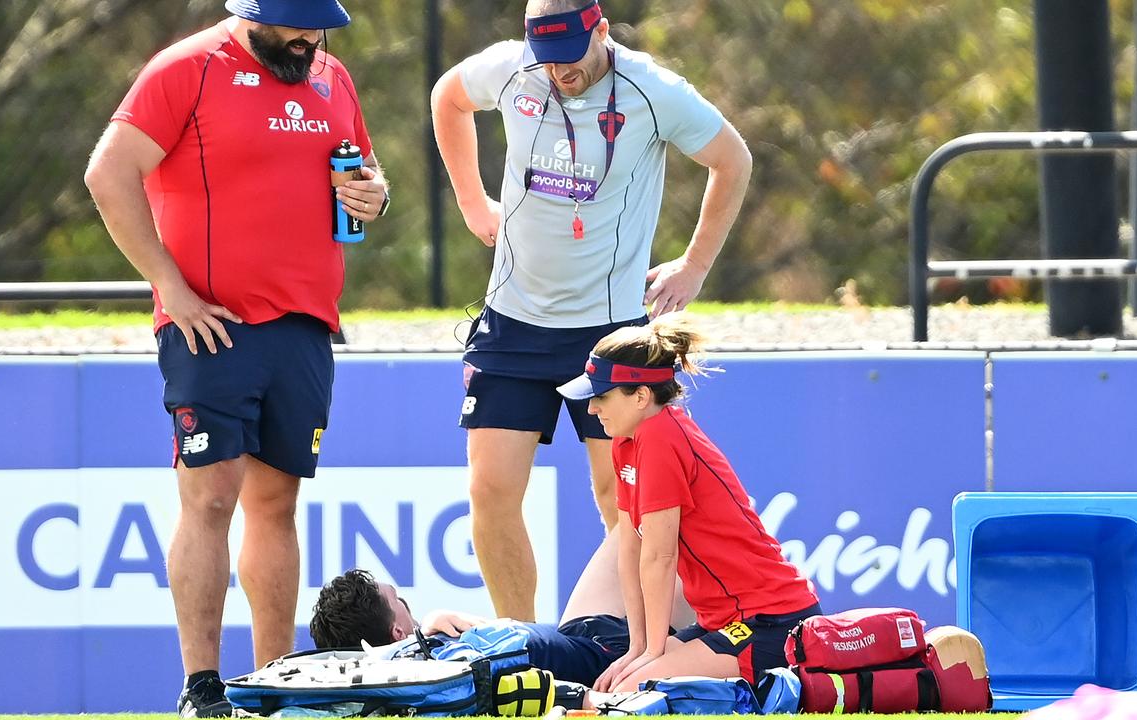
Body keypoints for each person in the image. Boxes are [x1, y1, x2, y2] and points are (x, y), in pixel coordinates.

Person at [83, 1, 389, 716]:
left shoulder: (331, 76)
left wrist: (374, 194)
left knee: (276, 505)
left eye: (320, 28)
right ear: (251, 14)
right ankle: (202, 688)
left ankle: (273, 683)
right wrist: (170, 288)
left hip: (305, 323)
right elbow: (109, 174)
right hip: (211, 325)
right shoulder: (187, 68)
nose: (310, 40)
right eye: (295, 26)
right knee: (212, 495)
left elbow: (363, 175)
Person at [430, 0, 753, 622]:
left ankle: (635, 646)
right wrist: (473, 204)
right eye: (546, 59)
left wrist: (694, 266)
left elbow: (732, 159)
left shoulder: (652, 89)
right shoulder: (516, 67)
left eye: (570, 57)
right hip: (513, 319)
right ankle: (519, 647)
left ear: (600, 31)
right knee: (490, 492)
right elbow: (448, 96)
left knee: (624, 500)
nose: (558, 73)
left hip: (609, 332)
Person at [555, 314, 822, 692]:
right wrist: (638, 647)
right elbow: (630, 548)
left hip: (770, 621)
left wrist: (654, 654)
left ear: (641, 396)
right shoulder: (627, 439)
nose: (593, 409)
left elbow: (660, 557)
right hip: (724, 620)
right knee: (618, 682)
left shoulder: (661, 436)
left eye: (601, 396)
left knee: (631, 691)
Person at [309, 529, 696, 688]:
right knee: (675, 537)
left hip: (577, 627)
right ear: (396, 634)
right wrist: (424, 629)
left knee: (632, 523)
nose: (415, 609)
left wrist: (427, 626)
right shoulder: (439, 677)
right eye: (402, 604)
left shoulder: (433, 642)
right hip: (615, 654)